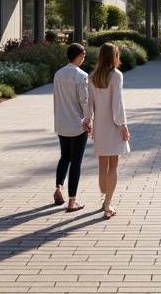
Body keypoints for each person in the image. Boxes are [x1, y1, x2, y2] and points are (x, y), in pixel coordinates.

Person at [90, 43, 131, 219]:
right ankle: (108, 203)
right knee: (113, 165)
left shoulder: (92, 76)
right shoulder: (116, 75)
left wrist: (88, 122)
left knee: (102, 165)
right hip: (113, 125)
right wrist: (123, 125)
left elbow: (88, 104)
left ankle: (104, 199)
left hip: (99, 125)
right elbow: (117, 104)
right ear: (114, 56)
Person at [52, 43, 92, 212]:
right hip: (77, 123)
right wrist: (89, 121)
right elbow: (85, 100)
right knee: (76, 161)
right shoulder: (81, 75)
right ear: (79, 55)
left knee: (64, 156)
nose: (84, 59)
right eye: (83, 55)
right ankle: (72, 200)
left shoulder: (58, 74)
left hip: (61, 122)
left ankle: (58, 187)